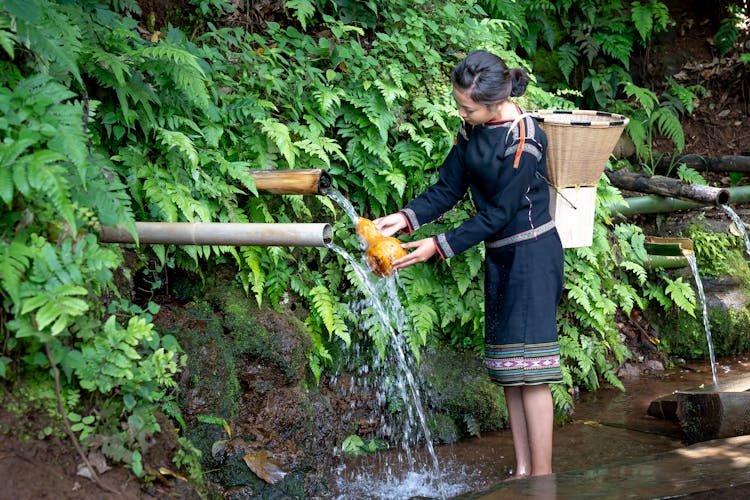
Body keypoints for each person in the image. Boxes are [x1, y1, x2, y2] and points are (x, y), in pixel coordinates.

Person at [374, 49, 564, 478]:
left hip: (533, 254)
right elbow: (449, 187)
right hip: (500, 255)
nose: (461, 112)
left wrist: (437, 246)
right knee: (509, 369)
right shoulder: (471, 129)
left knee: (532, 372)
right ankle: (521, 470)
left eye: (467, 107)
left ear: (495, 103)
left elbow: (498, 213)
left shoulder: (525, 138)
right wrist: (405, 219)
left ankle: (543, 479)